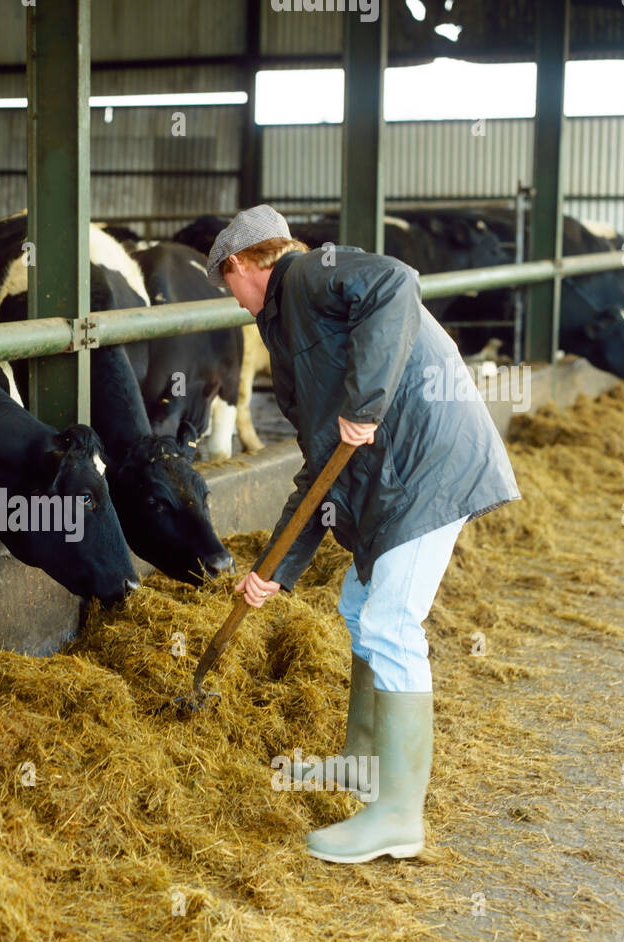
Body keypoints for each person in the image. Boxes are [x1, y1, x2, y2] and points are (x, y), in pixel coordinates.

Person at [207, 205, 521, 864]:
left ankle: (400, 818)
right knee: (358, 606)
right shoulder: (293, 320)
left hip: (426, 469)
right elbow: (322, 471)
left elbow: (395, 282)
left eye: (224, 286)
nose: (232, 302)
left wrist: (365, 403)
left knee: (391, 623)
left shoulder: (306, 275)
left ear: (238, 266)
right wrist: (272, 572)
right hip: (397, 475)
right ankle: (360, 763)